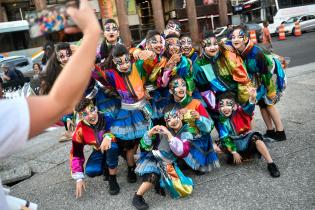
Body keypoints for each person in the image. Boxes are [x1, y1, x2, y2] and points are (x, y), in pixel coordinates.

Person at [0, 1, 101, 209]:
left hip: (89, 109)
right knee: (78, 142)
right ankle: (80, 172)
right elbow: (58, 102)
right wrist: (91, 32)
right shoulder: (51, 73)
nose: (2, 89)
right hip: (73, 113)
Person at [231, 25, 286, 141]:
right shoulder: (238, 50)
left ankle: (280, 132)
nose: (235, 39)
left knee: (269, 103)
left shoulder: (256, 53)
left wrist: (271, 91)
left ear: (245, 39)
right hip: (256, 81)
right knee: (262, 105)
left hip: (266, 79)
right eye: (233, 37)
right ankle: (270, 130)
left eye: (239, 37)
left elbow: (266, 74)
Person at [133, 107, 193, 210]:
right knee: (153, 175)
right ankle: (137, 197)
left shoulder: (187, 133)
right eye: (168, 120)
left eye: (174, 117)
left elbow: (181, 151)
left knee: (181, 187)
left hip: (170, 161)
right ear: (166, 124)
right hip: (155, 158)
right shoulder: (163, 132)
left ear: (181, 116)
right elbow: (145, 146)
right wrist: (150, 133)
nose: (172, 121)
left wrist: (169, 135)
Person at [216, 89, 281, 178]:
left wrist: (252, 97)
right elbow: (225, 137)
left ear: (234, 106)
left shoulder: (241, 112)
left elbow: (249, 108)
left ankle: (271, 164)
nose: (225, 108)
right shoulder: (221, 120)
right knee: (215, 147)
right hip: (234, 143)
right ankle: (237, 156)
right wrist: (234, 152)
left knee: (257, 139)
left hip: (245, 140)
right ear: (219, 108)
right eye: (222, 105)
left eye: (228, 105)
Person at [168, 77, 220, 173]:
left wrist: (199, 118)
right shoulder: (171, 108)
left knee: (197, 167)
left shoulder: (196, 103)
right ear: (171, 91)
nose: (181, 88)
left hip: (198, 140)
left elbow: (209, 127)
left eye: (183, 85)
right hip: (181, 140)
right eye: (177, 86)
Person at [70, 98, 120, 197]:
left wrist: (108, 136)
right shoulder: (80, 129)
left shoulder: (107, 116)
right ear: (80, 116)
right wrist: (79, 177)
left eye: (92, 110)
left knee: (112, 148)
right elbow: (76, 152)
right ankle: (105, 166)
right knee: (91, 171)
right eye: (85, 114)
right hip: (98, 150)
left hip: (116, 146)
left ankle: (112, 178)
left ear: (96, 108)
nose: (91, 115)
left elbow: (119, 130)